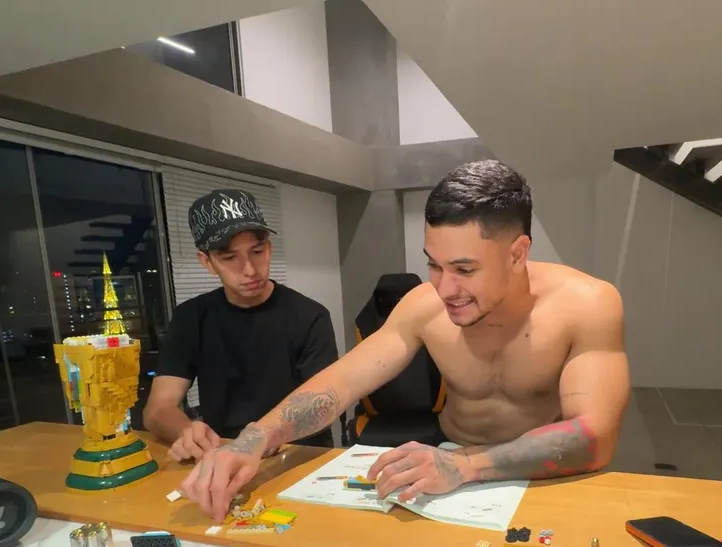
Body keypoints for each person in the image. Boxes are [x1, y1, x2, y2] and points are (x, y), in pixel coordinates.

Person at [180, 160, 630, 522]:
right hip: (450, 468)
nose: (445, 288)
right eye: (434, 265)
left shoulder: (587, 304)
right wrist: (254, 439)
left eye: (464, 269)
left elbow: (594, 436)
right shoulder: (424, 305)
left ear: (517, 253)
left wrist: (467, 466)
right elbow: (342, 382)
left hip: (546, 473)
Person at [144, 188, 339, 462]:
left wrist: (263, 437)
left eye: (257, 251)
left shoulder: (309, 316)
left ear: (269, 248)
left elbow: (323, 405)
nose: (250, 269)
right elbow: (157, 409)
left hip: (297, 454)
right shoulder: (191, 318)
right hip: (222, 453)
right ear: (207, 262)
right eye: (230, 258)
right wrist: (187, 432)